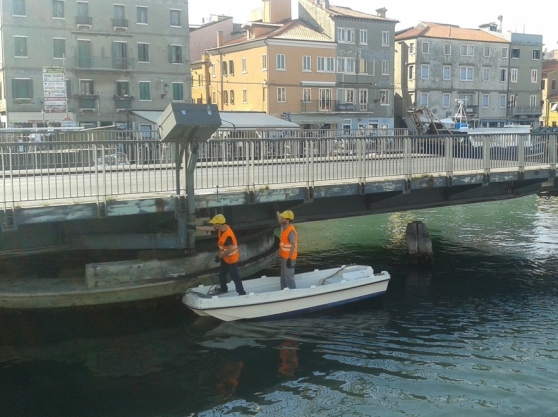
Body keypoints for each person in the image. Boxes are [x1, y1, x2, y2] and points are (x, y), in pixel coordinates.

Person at [208, 214, 246, 295]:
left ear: (219, 224)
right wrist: (196, 228)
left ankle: (241, 292)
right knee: (222, 273)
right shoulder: (222, 228)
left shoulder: (227, 236)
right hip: (225, 258)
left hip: (231, 258)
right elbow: (209, 228)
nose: (213, 225)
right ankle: (223, 289)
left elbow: (230, 249)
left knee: (234, 275)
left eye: (214, 223)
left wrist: (220, 256)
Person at [276, 210, 297, 289]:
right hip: (284, 257)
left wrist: (289, 258)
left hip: (289, 258)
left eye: (283, 218)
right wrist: (277, 211)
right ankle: (284, 292)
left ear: (287, 220)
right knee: (283, 277)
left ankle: (294, 295)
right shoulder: (285, 227)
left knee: (289, 279)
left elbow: (293, 245)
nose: (281, 219)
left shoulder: (291, 231)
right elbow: (279, 221)